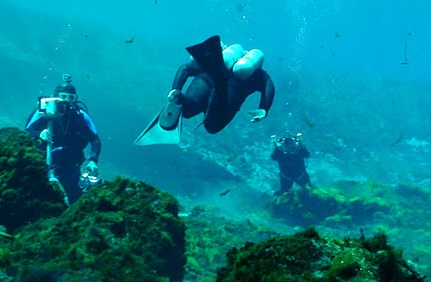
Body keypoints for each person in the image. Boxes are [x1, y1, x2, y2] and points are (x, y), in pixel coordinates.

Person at [135, 35, 275, 145]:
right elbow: (268, 85)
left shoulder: (213, 59)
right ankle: (220, 81)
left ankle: (179, 97)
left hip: (204, 79)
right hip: (228, 91)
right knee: (212, 126)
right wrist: (264, 108)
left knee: (186, 110)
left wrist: (175, 89)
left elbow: (185, 68)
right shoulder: (256, 74)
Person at [26, 74, 101, 205]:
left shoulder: (80, 115)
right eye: (63, 97)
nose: (67, 101)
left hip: (70, 159)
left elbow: (95, 139)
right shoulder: (43, 111)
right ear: (55, 97)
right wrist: (40, 134)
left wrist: (93, 160)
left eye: (71, 98)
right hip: (44, 157)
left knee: (73, 193)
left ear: (75, 99)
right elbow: (28, 131)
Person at [271, 133, 312, 197]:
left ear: (294, 143)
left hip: (301, 175)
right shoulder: (279, 150)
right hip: (286, 177)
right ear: (283, 144)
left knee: (309, 192)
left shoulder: (299, 148)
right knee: (284, 194)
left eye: (290, 143)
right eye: (286, 143)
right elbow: (273, 157)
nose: (288, 146)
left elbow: (307, 155)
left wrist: (301, 147)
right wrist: (277, 149)